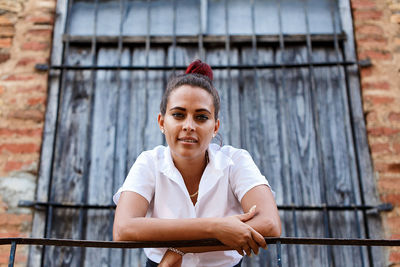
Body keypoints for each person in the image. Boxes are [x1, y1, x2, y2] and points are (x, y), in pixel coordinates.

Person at [113, 60, 281, 267]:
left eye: (201, 117)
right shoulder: (149, 162)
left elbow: (269, 223)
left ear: (215, 126)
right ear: (162, 122)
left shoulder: (235, 161)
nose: (189, 126)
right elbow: (123, 229)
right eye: (178, 115)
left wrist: (182, 248)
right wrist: (214, 228)